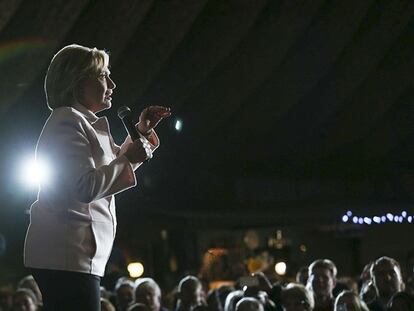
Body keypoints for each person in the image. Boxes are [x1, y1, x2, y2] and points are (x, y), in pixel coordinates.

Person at [23, 44, 171, 311]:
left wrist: (141, 131)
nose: (112, 83)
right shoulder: (66, 123)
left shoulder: (79, 122)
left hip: (72, 256)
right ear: (77, 82)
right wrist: (131, 159)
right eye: (104, 75)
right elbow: (84, 186)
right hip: (67, 254)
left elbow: (113, 167)